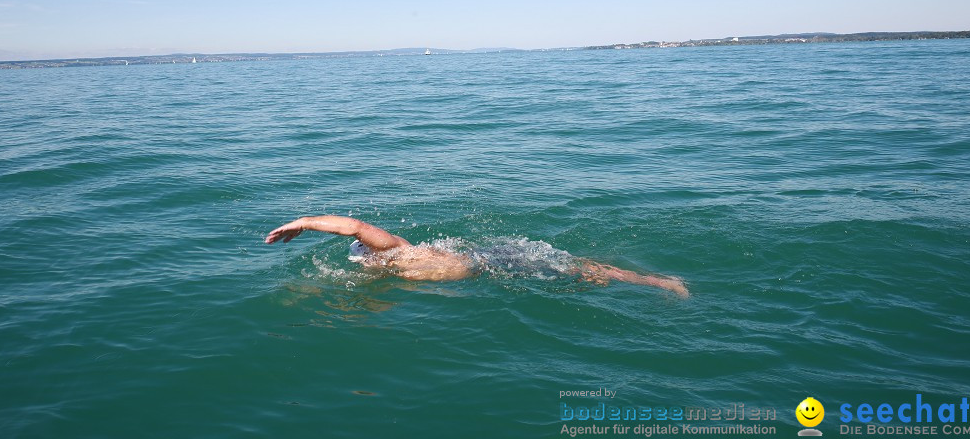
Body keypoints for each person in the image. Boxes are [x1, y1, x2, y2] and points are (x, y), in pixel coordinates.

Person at [265, 215, 689, 298]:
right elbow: (366, 307)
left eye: (365, 257)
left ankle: (659, 282)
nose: (367, 262)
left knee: (579, 269)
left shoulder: (395, 251)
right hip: (485, 272)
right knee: (574, 276)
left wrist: (303, 221)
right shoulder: (383, 274)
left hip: (491, 261)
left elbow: (355, 225)